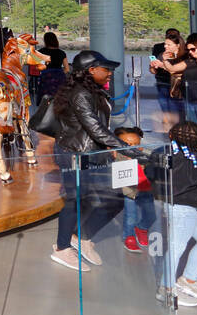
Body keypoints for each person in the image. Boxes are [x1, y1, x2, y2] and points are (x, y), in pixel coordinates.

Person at [49, 50, 152, 271]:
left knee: (111, 198)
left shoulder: (91, 91)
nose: (110, 73)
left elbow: (99, 128)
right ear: (90, 70)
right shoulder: (80, 94)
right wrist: (132, 151)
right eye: (106, 69)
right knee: (76, 200)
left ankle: (82, 237)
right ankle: (61, 248)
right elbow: (96, 129)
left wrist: (111, 146)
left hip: (91, 153)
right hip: (75, 154)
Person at [162, 121, 197, 306]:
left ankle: (188, 279)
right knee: (176, 248)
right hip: (184, 209)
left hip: (177, 206)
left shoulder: (168, 153)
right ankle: (166, 289)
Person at [114, 126, 157, 253]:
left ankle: (141, 228)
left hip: (145, 189)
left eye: (136, 144)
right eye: (127, 144)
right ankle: (129, 237)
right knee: (130, 216)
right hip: (129, 191)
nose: (132, 147)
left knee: (151, 215)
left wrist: (146, 161)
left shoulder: (143, 152)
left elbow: (154, 158)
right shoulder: (118, 155)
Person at [149, 29, 189, 124]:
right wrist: (153, 66)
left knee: (177, 111)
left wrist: (163, 64)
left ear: (178, 44)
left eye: (168, 44)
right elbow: (153, 71)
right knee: (165, 106)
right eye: (165, 44)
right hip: (162, 82)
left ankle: (179, 130)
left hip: (178, 88)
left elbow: (175, 70)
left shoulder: (185, 56)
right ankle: (170, 129)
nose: (165, 46)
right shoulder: (161, 54)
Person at [182, 34, 197, 126]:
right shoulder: (190, 62)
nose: (190, 52)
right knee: (194, 126)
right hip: (190, 98)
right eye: (188, 50)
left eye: (193, 49)